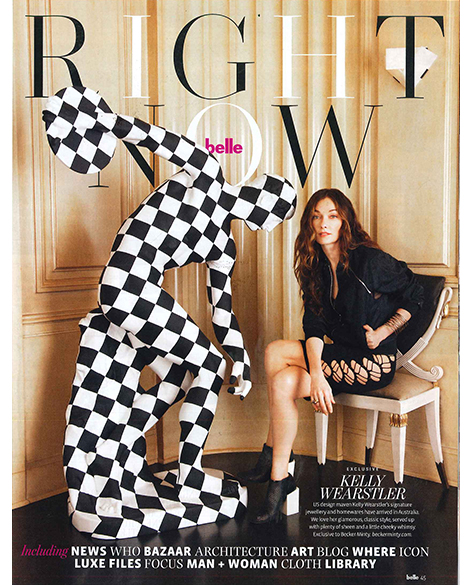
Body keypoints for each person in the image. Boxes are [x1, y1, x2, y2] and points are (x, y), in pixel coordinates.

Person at [43, 86, 297, 538]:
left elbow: (222, 311)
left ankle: (121, 441)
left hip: (136, 292)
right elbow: (160, 140)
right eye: (273, 201)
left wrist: (241, 359)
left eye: (276, 216)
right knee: (208, 365)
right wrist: (110, 123)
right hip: (127, 283)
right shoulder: (208, 173)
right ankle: (189, 472)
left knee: (185, 372)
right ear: (259, 185)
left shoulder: (223, 246)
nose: (267, 215)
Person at [239, 188, 424, 524]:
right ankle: (279, 476)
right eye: (316, 217)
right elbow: (313, 327)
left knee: (276, 353)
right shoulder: (317, 268)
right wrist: (318, 375)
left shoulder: (369, 261)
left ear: (345, 221)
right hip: (340, 357)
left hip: (373, 362)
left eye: (333, 216)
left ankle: (272, 456)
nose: (324, 223)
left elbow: (416, 293)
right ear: (310, 224)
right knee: (282, 380)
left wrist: (385, 331)